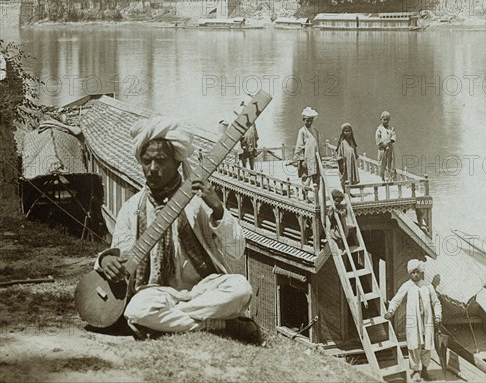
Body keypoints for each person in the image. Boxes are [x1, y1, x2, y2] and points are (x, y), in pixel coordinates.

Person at [95, 116, 259, 342]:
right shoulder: (132, 208)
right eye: (146, 161)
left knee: (241, 288)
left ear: (177, 162)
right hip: (159, 294)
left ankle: (167, 324)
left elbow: (236, 249)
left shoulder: (198, 202)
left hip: (204, 288)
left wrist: (218, 209)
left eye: (161, 161)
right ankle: (219, 323)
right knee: (136, 310)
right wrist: (105, 261)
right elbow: (119, 255)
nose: (152, 169)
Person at [384, 260, 442, 382]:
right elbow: (396, 299)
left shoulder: (427, 286)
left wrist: (437, 316)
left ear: (421, 273)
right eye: (413, 272)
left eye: (417, 272)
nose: (415, 275)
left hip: (427, 322)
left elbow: (436, 303)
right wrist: (391, 311)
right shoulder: (407, 286)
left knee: (426, 346)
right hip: (413, 321)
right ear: (410, 273)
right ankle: (415, 371)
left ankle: (425, 372)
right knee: (414, 345)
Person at [293, 107, 321, 190]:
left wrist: (319, 156)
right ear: (303, 120)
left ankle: (316, 196)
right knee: (306, 177)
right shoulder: (302, 131)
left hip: (315, 157)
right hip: (306, 158)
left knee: (316, 177)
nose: (309, 122)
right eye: (307, 120)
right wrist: (300, 159)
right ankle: (305, 195)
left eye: (311, 120)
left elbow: (317, 143)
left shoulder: (315, 130)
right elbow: (299, 146)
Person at [336, 122, 359, 190]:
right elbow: (339, 154)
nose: (347, 133)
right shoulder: (342, 142)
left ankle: (349, 190)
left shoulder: (352, 142)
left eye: (349, 131)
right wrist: (341, 165)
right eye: (345, 131)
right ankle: (344, 191)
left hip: (351, 163)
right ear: (343, 132)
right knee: (344, 177)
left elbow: (354, 151)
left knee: (350, 176)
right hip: (344, 163)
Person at [375, 111, 396, 182]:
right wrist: (384, 146)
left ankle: (391, 178)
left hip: (390, 148)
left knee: (390, 162)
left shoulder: (391, 128)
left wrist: (388, 143)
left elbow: (393, 138)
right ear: (381, 120)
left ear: (389, 120)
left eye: (387, 119)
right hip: (382, 149)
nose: (386, 121)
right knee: (382, 163)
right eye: (384, 119)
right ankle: (382, 178)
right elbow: (378, 141)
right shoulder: (379, 129)